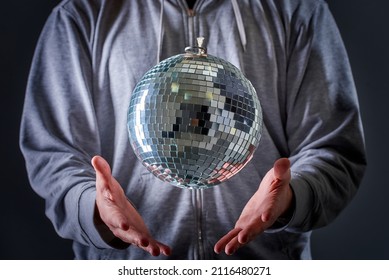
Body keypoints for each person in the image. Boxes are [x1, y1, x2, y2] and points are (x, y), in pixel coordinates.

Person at [20, 0, 366, 259]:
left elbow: (333, 147)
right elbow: (54, 153)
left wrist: (291, 198)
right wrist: (95, 210)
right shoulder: (82, 14)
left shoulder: (296, 9)